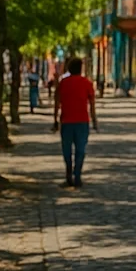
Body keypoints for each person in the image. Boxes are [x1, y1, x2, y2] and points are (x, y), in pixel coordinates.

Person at [51, 57, 98, 189]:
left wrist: (55, 120)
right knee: (80, 150)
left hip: (66, 121)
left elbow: (56, 103)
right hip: (82, 121)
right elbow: (92, 105)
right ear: (81, 69)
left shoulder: (63, 83)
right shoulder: (87, 83)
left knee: (67, 151)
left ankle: (68, 175)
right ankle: (77, 176)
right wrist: (95, 121)